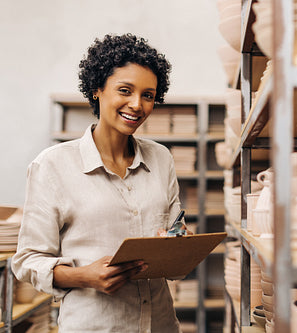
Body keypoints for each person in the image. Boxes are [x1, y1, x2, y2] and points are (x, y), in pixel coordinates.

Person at [12, 34, 185, 332]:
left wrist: (178, 242)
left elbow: (175, 228)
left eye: (148, 95)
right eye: (125, 90)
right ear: (97, 90)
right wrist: (84, 276)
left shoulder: (161, 159)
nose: (137, 105)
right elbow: (28, 260)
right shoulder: (52, 165)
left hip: (161, 324)